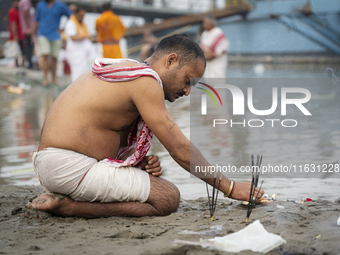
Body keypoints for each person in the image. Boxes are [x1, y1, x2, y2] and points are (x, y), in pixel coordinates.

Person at [27, 35, 263, 218]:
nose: (187, 91)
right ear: (171, 61)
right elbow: (179, 148)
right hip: (69, 167)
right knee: (167, 198)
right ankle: (70, 208)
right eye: (187, 81)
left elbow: (111, 133)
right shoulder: (145, 81)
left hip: (53, 164)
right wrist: (230, 188)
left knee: (153, 186)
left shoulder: (131, 72)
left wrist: (139, 163)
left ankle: (66, 199)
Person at [32, 0, 71, 86]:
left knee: (54, 57)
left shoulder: (61, 5)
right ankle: (45, 79)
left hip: (56, 35)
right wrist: (33, 34)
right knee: (45, 55)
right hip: (42, 33)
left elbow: (70, 16)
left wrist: (63, 28)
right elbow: (36, 19)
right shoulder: (40, 4)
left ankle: (53, 79)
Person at [64, 6, 92, 82]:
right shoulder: (71, 23)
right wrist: (85, 36)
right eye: (81, 15)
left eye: (83, 15)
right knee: (77, 72)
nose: (82, 17)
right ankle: (76, 90)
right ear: (76, 14)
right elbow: (73, 37)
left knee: (83, 72)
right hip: (75, 52)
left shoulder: (82, 24)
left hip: (82, 53)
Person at [8, 0, 25, 67]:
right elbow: (13, 23)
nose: (18, 3)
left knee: (23, 49)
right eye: (16, 1)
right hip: (16, 34)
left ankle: (22, 64)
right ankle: (16, 63)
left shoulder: (20, 10)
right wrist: (15, 35)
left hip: (21, 34)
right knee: (16, 49)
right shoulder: (12, 11)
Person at [18, 0, 34, 69]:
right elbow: (26, 13)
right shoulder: (25, 1)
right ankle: (30, 64)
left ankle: (29, 63)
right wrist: (29, 27)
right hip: (28, 28)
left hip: (25, 28)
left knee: (28, 45)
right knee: (29, 46)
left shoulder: (21, 1)